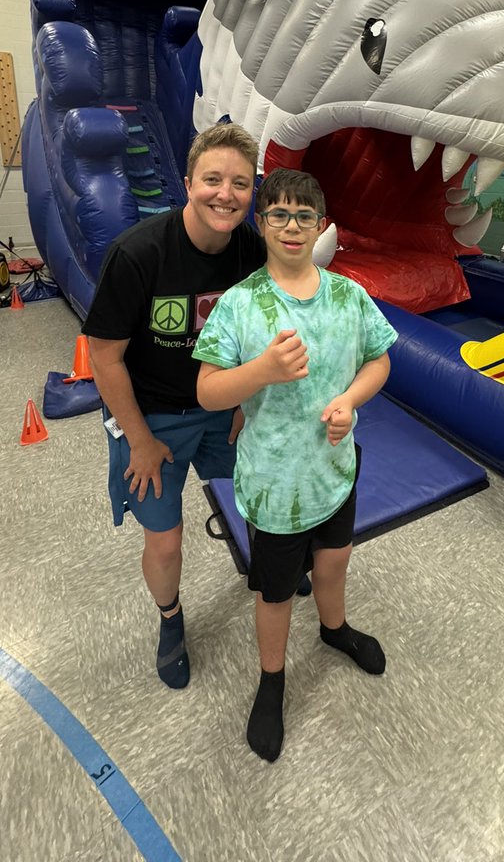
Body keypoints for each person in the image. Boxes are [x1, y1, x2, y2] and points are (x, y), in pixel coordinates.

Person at [193, 168, 398, 762]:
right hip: (276, 485)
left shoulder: (348, 297)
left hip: (334, 471)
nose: (291, 226)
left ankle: (334, 630)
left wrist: (349, 400)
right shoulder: (241, 304)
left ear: (320, 226)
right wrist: (262, 370)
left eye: (304, 216)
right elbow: (208, 392)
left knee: (334, 562)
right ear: (261, 224)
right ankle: (271, 680)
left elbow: (379, 361)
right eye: (279, 214)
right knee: (277, 593)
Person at [83, 123, 265, 691]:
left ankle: (271, 566)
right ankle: (170, 619)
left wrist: (246, 400)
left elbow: (258, 332)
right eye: (212, 180)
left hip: (222, 405)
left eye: (240, 183)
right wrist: (139, 440)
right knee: (164, 539)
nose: (225, 194)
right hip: (152, 414)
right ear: (187, 184)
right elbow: (104, 358)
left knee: (258, 492)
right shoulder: (138, 255)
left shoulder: (252, 251)